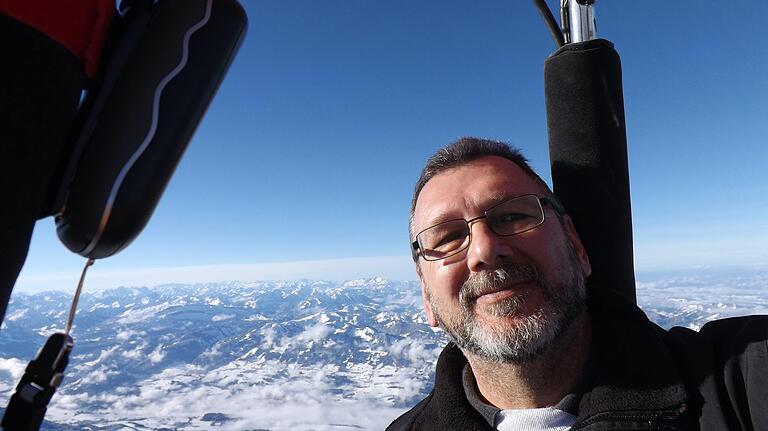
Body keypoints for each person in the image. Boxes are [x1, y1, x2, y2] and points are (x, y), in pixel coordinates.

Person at [388, 137, 768, 430]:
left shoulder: (739, 381)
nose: (484, 250)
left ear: (575, 246)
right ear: (427, 298)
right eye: (447, 238)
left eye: (513, 216)